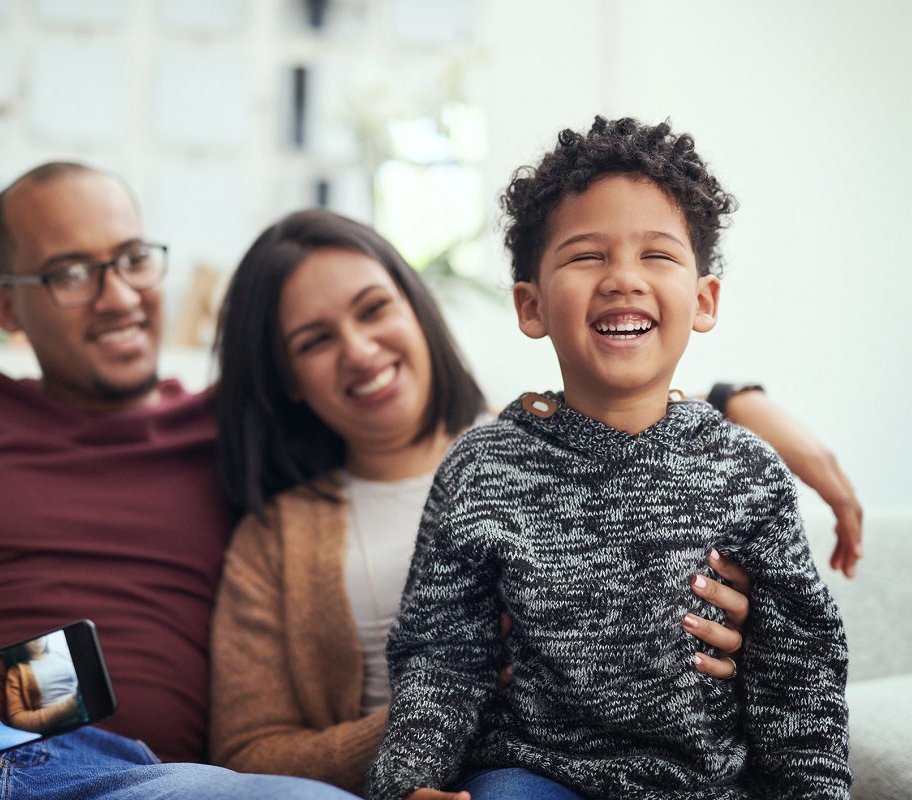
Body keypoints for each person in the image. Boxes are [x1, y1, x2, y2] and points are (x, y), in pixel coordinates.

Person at [208, 208, 855, 796]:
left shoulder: (539, 441)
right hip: (484, 768)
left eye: (374, 308)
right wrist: (444, 727)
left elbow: (629, 423)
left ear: (418, 308)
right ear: (285, 376)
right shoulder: (279, 537)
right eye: (315, 341)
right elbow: (251, 749)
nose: (358, 349)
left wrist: (737, 401)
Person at [0, 162, 358, 800]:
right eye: (70, 273)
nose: (120, 296)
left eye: (134, 258)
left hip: (146, 780)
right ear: (7, 308)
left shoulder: (238, 429)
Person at [362, 117, 851, 800]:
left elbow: (799, 669)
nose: (623, 277)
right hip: (532, 774)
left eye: (657, 254)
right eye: (587, 255)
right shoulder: (481, 470)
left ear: (704, 301)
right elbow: (442, 658)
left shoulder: (749, 472)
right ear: (530, 306)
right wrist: (409, 783)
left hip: (699, 786)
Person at [3, 636, 85, 734]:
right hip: (60, 731)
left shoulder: (64, 654)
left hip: (88, 715)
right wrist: (70, 706)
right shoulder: (16, 672)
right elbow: (17, 719)